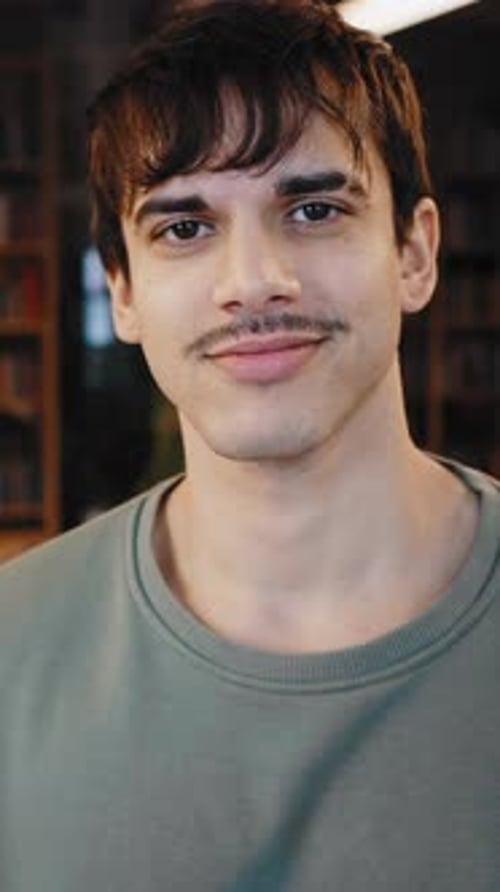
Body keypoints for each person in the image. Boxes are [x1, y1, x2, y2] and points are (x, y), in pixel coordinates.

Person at [0, 1, 498, 888]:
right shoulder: (12, 646)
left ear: (415, 253)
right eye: (184, 228)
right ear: (122, 293)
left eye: (312, 208)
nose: (254, 281)